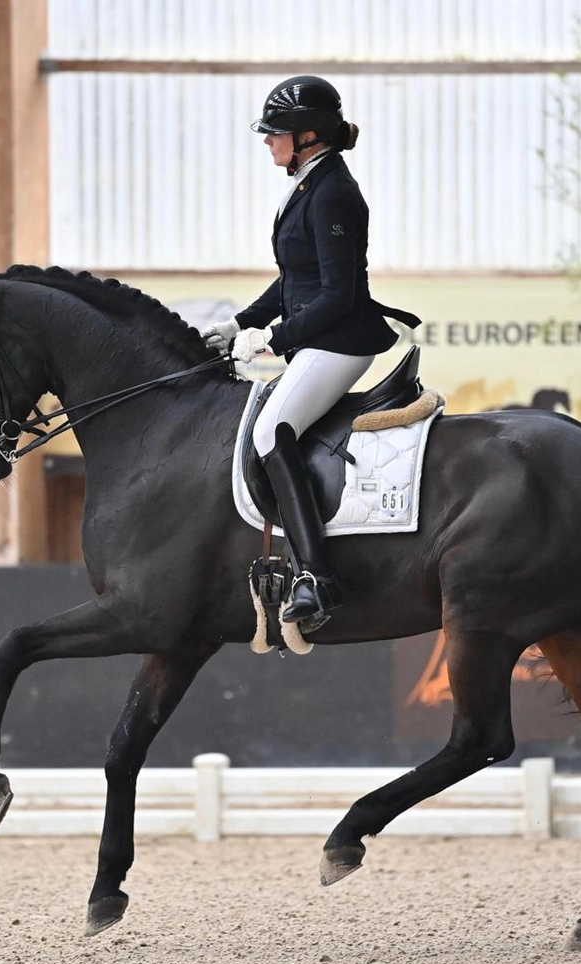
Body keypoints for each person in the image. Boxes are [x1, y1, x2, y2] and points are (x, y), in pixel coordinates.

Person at [202, 75, 411, 633]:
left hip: (341, 342)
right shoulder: (307, 184)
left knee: (272, 432)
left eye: (278, 133)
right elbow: (294, 278)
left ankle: (316, 577)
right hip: (319, 336)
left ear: (308, 136)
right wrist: (241, 324)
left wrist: (274, 339)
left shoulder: (335, 192)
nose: (268, 141)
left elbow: (339, 296)